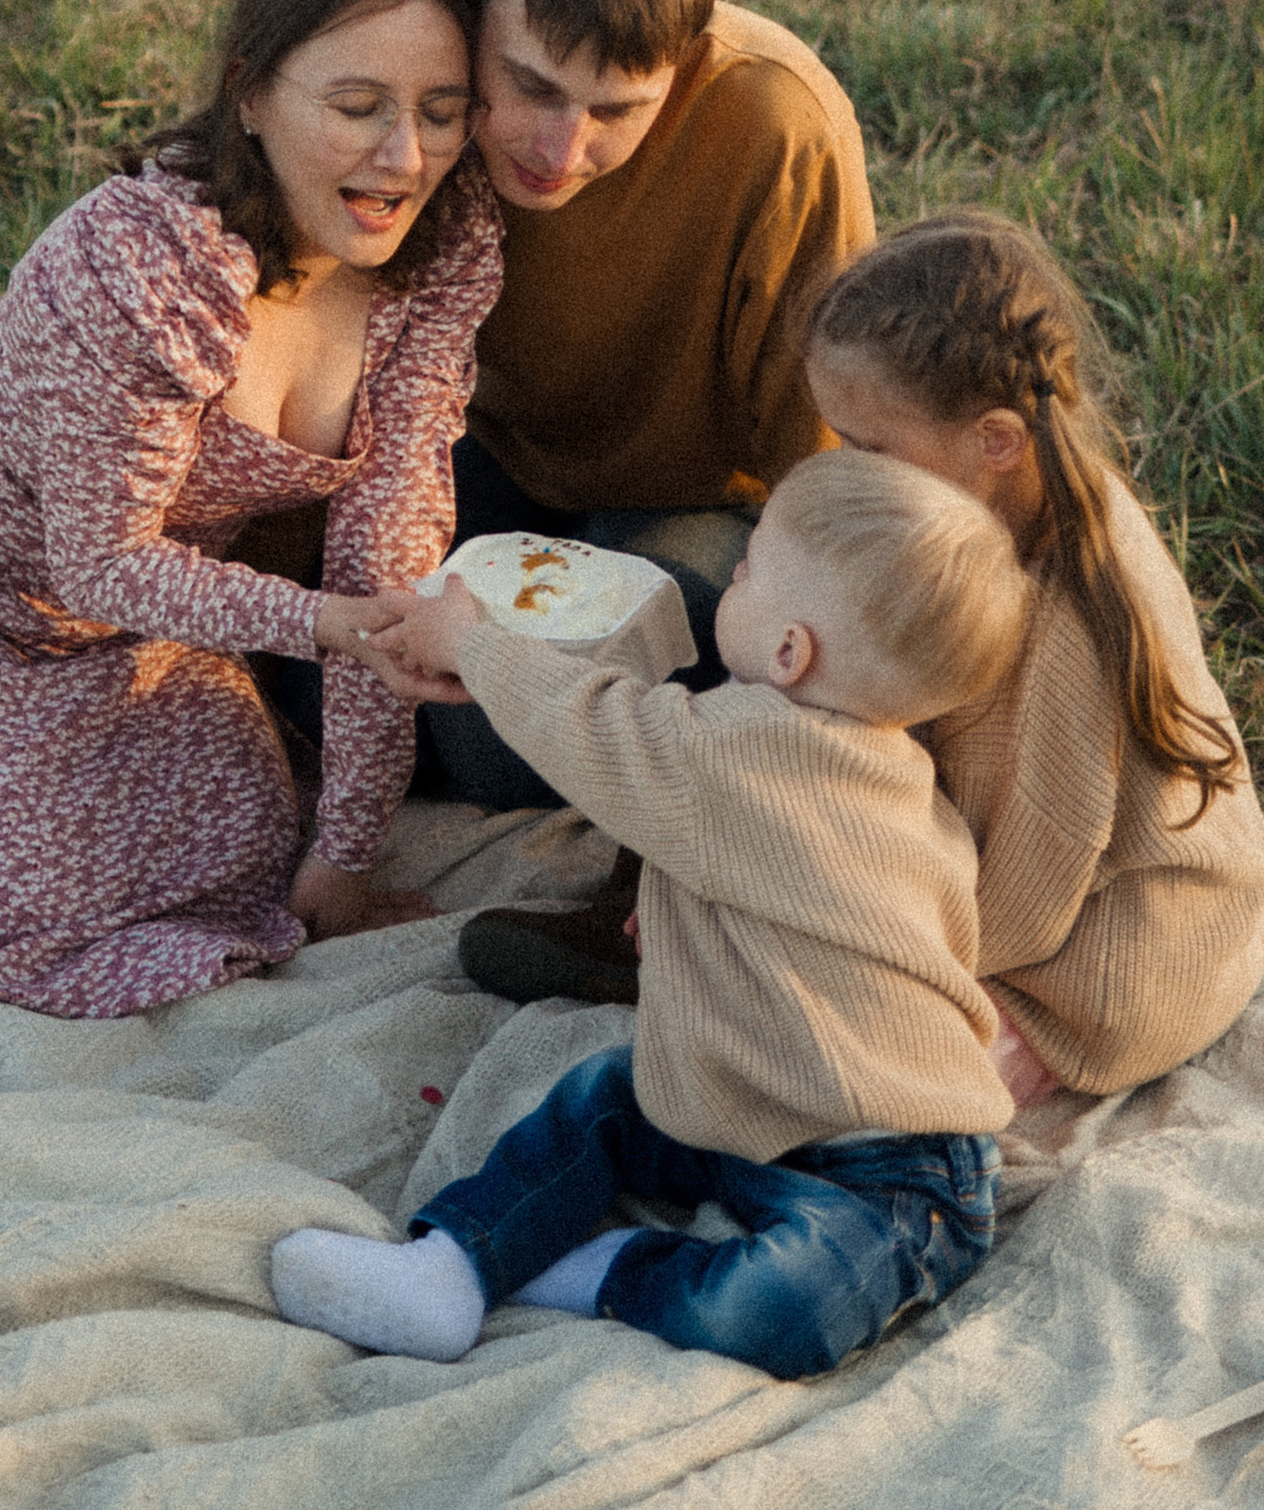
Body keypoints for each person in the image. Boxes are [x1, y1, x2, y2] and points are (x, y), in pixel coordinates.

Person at [0, 0, 498, 1017]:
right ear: (249, 94)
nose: (406, 157)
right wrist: (328, 624)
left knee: (253, 849)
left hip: (112, 631)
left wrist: (344, 854)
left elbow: (385, 569)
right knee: (46, 894)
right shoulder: (147, 265)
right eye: (357, 108)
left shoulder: (439, 256)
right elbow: (108, 562)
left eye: (441, 113)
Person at [273, 450, 1027, 1380]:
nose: (729, 580)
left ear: (791, 651)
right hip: (743, 1087)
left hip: (896, 1171)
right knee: (609, 1098)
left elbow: (594, 727)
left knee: (774, 1313)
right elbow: (818, 920)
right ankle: (451, 1265)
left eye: (746, 573)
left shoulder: (734, 756)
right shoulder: (904, 783)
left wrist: (473, 640)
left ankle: (585, 1269)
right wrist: (684, 920)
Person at [431, 0, 875, 906]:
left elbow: (828, 479)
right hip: (486, 454)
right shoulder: (413, 63)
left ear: (684, 60)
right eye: (529, 84)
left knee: (490, 729)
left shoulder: (775, 124)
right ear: (472, 8)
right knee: (325, 647)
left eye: (615, 109)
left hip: (699, 504)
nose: (557, 143)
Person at [803, 213, 1264, 1100]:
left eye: (867, 447)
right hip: (1010, 883)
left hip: (1113, 958)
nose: (846, 469)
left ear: (993, 442)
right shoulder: (979, 516)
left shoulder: (1069, 624)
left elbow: (1029, 891)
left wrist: (866, 931)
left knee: (857, 1074)